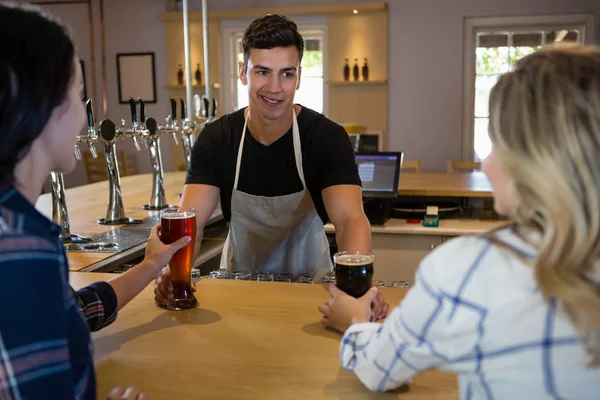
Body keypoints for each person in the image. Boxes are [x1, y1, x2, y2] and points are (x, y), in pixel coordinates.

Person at [318, 43, 600, 398]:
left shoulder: (468, 269)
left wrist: (355, 319)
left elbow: (382, 368)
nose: (486, 163)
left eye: (496, 145)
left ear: (534, 160)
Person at [0, 3, 191, 399]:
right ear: (44, 104)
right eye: (78, 96)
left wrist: (151, 264)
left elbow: (69, 313)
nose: (84, 122)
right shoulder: (21, 246)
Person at [154, 14, 389, 319]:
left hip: (313, 294)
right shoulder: (216, 139)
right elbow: (192, 225)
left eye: (287, 74)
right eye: (263, 72)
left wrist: (357, 290)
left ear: (299, 77)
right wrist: (172, 275)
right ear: (243, 73)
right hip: (238, 292)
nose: (275, 87)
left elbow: (349, 221)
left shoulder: (326, 138)